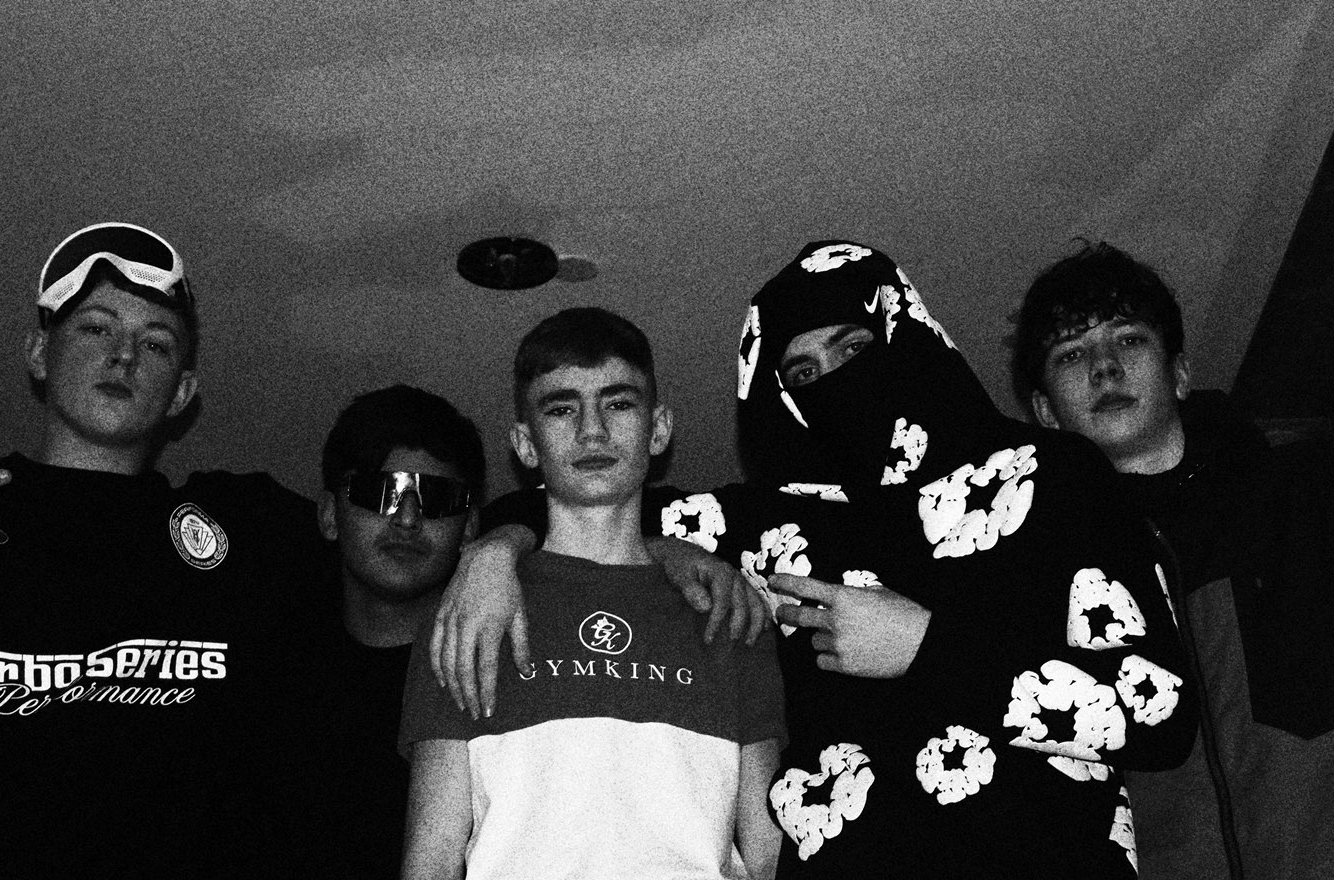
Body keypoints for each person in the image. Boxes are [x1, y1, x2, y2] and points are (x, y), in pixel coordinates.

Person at [434, 243, 1197, 878]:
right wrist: (494, 552)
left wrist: (924, 647)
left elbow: (1159, 712)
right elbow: (582, 498)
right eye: (802, 374)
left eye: (853, 348)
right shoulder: (769, 524)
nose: (834, 383)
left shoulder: (1055, 478)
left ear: (903, 334)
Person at [0, 222, 322, 877]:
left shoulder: (247, 527)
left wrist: (485, 555)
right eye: (95, 328)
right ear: (38, 354)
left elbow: (409, 551)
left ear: (182, 393)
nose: (125, 356)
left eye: (156, 343)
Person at [1015, 239, 1334, 878]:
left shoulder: (1316, 498)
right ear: (1045, 412)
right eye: (1071, 353)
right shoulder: (1043, 584)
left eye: (1129, 339)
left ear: (1180, 373)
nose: (1104, 367)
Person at [400, 307, 786, 880]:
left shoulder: (729, 613)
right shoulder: (465, 613)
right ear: (525, 443)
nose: (592, 431)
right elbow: (432, 858)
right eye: (562, 409)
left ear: (658, 429)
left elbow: (767, 846)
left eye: (618, 404)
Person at [239, 384, 485, 877]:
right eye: (381, 492)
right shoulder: (266, 666)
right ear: (330, 514)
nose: (408, 518)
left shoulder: (490, 675)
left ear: (471, 527)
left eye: (437, 498)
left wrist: (510, 540)